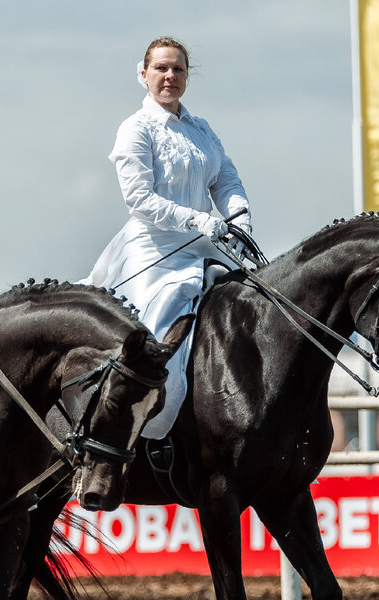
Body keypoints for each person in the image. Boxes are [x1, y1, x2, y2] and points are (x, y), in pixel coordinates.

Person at [84, 36, 252, 440]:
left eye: (178, 69)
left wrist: (239, 220)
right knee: (155, 336)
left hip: (206, 244)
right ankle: (136, 434)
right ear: (143, 75)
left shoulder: (201, 129)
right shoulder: (136, 129)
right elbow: (140, 199)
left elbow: (225, 178)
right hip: (153, 250)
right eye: (161, 68)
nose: (170, 76)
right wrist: (198, 219)